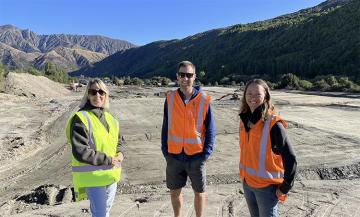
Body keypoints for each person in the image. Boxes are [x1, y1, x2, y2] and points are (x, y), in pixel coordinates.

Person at [161, 60, 216, 217]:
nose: (185, 78)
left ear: (195, 77)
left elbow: (211, 130)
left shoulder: (204, 100)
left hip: (196, 156)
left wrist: (205, 155)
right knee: (174, 192)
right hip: (174, 156)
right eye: (182, 75)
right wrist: (165, 151)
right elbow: (166, 126)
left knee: (199, 192)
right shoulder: (170, 98)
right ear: (177, 77)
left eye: (189, 75)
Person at [66, 79, 124, 217]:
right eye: (93, 92)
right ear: (87, 95)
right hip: (94, 176)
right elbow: (80, 151)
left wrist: (120, 153)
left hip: (111, 174)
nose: (97, 95)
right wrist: (108, 159)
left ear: (106, 95)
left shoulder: (111, 119)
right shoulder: (81, 118)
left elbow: (119, 141)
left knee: (105, 211)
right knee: (100, 214)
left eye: (101, 92)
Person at [239, 79, 297, 217]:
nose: (253, 98)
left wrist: (285, 186)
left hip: (266, 188)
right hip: (247, 183)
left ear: (266, 96)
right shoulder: (244, 120)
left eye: (258, 94)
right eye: (249, 93)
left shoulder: (273, 124)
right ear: (244, 95)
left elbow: (290, 157)